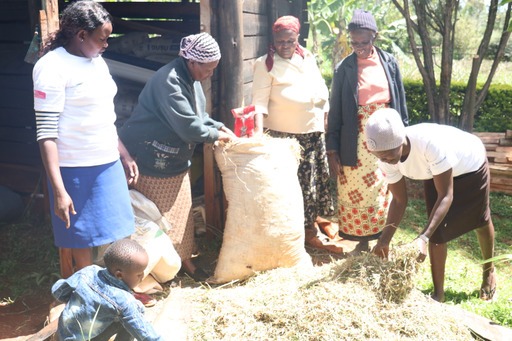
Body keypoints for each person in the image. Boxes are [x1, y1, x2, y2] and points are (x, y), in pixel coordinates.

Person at [119, 32, 236, 282]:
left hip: (174, 159)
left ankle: (184, 261)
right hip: (149, 156)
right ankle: (149, 270)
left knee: (180, 215)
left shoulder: (191, 79)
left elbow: (198, 116)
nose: (210, 74)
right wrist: (215, 135)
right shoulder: (169, 81)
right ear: (192, 62)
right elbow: (188, 127)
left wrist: (218, 125)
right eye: (208, 69)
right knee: (151, 217)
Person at [33, 0, 137, 279]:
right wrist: (58, 190)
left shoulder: (97, 62)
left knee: (121, 232)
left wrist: (123, 154)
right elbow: (46, 133)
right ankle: (90, 297)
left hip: (107, 162)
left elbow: (103, 115)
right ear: (81, 36)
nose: (106, 45)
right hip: (74, 168)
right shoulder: (51, 67)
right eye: (101, 39)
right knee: (82, 240)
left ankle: (119, 294)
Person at [365, 108, 496, 302]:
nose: (385, 161)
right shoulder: (386, 159)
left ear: (401, 140)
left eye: (389, 155)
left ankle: (489, 271)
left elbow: (446, 195)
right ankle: (438, 295)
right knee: (437, 233)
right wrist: (384, 240)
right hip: (435, 172)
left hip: (469, 165)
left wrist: (422, 238)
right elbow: (400, 200)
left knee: (481, 220)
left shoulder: (428, 144)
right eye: (380, 157)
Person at [251, 16, 338, 252]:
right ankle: (300, 232)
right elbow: (258, 103)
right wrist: (259, 135)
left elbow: (320, 88)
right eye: (280, 41)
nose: (285, 46)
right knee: (294, 186)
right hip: (285, 137)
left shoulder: (306, 57)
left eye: (290, 41)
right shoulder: (265, 64)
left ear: (297, 38)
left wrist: (326, 117)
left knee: (313, 182)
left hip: (312, 131)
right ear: (274, 40)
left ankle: (315, 224)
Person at [326, 9, 408, 252]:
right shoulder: (344, 68)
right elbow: (336, 111)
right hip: (356, 139)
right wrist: (332, 150)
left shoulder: (389, 62)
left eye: (364, 42)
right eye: (354, 42)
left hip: (387, 136)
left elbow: (400, 102)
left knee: (386, 186)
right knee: (357, 190)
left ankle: (382, 240)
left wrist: (404, 137)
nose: (359, 47)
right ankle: (362, 242)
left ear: (375, 36)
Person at [52, 239, 163, 340]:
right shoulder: (124, 301)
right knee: (135, 311)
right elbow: (147, 334)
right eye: (139, 274)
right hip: (86, 338)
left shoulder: (89, 271)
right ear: (119, 275)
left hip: (64, 333)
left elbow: (58, 289)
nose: (143, 276)